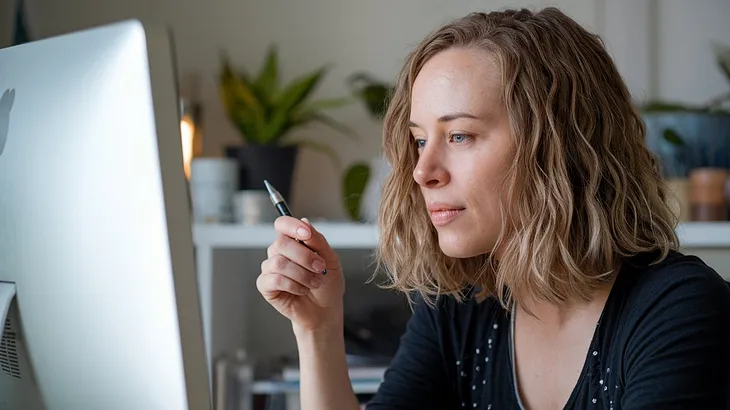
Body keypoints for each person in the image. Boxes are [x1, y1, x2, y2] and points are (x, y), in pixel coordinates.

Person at [256, 7, 730, 410]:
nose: (423, 171)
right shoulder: (460, 306)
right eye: (420, 140)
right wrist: (318, 329)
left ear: (558, 147)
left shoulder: (677, 309)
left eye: (459, 135)